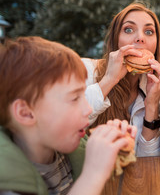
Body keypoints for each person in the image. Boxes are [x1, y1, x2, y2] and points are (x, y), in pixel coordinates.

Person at [0, 36, 137, 194]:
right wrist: (93, 174)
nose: (89, 109)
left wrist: (114, 149)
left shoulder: (68, 149)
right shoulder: (8, 186)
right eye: (74, 98)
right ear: (26, 113)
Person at [82, 2, 160, 157]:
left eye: (149, 32)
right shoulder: (86, 70)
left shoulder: (156, 88)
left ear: (156, 44)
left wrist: (152, 104)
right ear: (116, 39)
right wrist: (109, 79)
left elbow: (148, 158)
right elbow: (66, 124)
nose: (140, 38)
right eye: (128, 29)